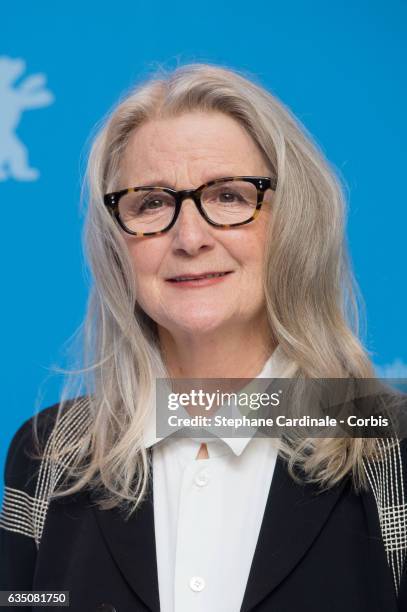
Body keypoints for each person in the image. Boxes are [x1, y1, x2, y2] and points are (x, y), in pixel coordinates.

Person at [1, 63, 406, 612]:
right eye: (150, 203)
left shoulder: (392, 445)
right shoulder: (48, 454)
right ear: (115, 244)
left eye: (230, 197)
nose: (190, 237)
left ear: (295, 222)